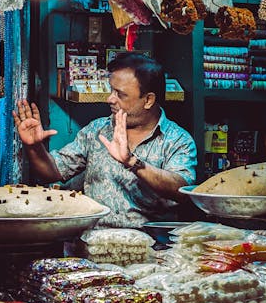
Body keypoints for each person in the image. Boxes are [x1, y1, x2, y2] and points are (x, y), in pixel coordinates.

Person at [13, 52, 197, 227]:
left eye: (120, 94)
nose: (110, 99)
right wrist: (34, 147)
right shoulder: (97, 130)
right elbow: (52, 172)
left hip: (149, 247)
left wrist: (132, 162)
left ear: (148, 100)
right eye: (111, 90)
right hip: (93, 241)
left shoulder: (177, 140)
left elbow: (182, 190)